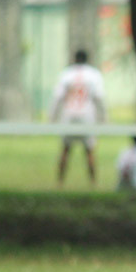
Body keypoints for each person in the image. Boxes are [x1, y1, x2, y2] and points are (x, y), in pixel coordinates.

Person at [50, 49, 106, 186]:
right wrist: (103, 117)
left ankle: (60, 182)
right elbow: (99, 97)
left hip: (69, 114)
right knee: (89, 150)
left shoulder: (66, 74)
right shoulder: (94, 75)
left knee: (65, 149)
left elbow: (58, 97)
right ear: (87, 59)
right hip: (86, 115)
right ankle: (93, 182)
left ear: (74, 59)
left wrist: (52, 116)